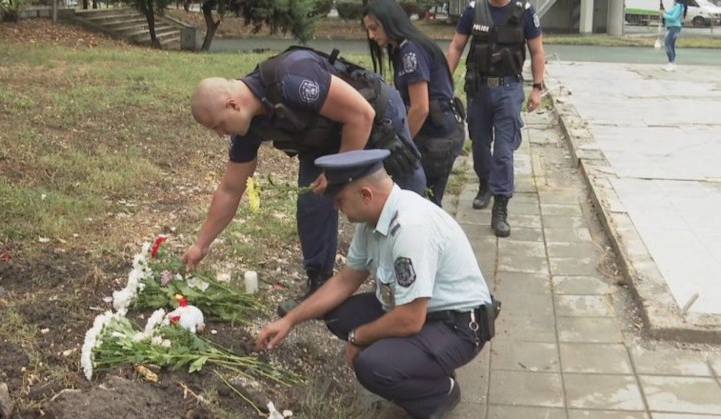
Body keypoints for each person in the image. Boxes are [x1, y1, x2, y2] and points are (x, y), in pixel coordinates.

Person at [184, 47, 427, 316]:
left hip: (376, 116)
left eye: (218, 125)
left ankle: (420, 289)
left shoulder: (292, 78)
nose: (220, 134)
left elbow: (361, 116)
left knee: (403, 202)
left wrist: (337, 176)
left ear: (233, 105)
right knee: (312, 201)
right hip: (323, 137)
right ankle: (320, 285)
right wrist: (200, 245)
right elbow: (230, 190)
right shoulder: (246, 127)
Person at [256, 149, 496, 419]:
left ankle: (439, 393)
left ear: (366, 195)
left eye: (340, 200)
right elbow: (345, 280)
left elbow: (409, 320)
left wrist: (359, 337)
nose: (336, 208)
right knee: (340, 317)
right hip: (423, 312)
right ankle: (421, 364)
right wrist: (290, 321)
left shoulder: (409, 227)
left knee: (373, 367)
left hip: (457, 326)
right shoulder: (372, 221)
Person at [446, 0, 545, 237]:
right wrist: (444, 82)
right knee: (479, 143)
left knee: (503, 150)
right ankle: (485, 184)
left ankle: (500, 206)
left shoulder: (525, 12)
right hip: (478, 89)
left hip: (508, 89)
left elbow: (537, 50)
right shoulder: (473, 10)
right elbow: (456, 46)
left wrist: (537, 88)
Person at [363, 0, 466, 207]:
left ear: (389, 21)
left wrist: (399, 145)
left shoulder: (411, 51)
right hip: (440, 132)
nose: (371, 36)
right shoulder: (404, 48)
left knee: (423, 206)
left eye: (374, 28)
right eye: (368, 30)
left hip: (436, 138)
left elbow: (420, 108)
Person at [660, 0, 687, 72]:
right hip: (671, 27)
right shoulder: (675, 5)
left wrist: (664, 14)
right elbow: (669, 13)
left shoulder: (679, 6)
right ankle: (671, 63)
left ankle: (672, 63)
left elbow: (673, 17)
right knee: (671, 45)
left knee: (667, 44)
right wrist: (664, 11)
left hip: (674, 27)